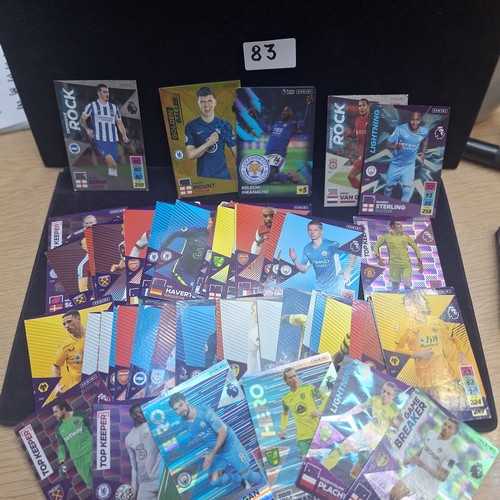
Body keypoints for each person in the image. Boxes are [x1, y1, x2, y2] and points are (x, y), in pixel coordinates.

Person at [168, 392, 264, 490]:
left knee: (247, 475)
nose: (180, 410)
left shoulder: (205, 412)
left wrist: (212, 454)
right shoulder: (183, 424)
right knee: (215, 480)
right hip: (216, 451)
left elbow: (222, 433)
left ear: (186, 401)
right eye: (176, 409)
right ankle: (239, 478)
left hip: (229, 444)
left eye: (181, 405)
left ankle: (267, 482)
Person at [396, 289, 468, 413]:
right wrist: (416, 354)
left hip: (447, 378)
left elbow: (454, 338)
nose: (407, 308)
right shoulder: (405, 326)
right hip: (426, 383)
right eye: (406, 305)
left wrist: (461, 351)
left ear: (418, 303)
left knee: (461, 409)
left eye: (409, 304)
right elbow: (397, 349)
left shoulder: (436, 322)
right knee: (435, 416)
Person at [322, 382, 399, 478]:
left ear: (393, 396)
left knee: (356, 472)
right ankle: (321, 470)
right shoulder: (375, 399)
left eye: (388, 394)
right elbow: (361, 407)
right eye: (384, 391)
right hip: (364, 435)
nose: (384, 395)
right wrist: (346, 414)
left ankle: (351, 481)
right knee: (340, 450)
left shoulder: (394, 411)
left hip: (374, 445)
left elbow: (395, 431)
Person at [390, 418, 459, 500]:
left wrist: (423, 465)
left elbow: (442, 477)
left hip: (428, 487)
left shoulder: (451, 453)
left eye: (449, 427)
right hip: (415, 476)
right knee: (394, 494)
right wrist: (410, 459)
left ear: (454, 432)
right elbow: (425, 448)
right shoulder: (431, 433)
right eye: (445, 424)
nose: (445, 427)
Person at [250, 95, 313, 184]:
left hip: (278, 154)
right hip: (267, 154)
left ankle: (290, 177)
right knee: (259, 177)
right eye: (283, 111)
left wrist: (309, 105)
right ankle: (287, 176)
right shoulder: (277, 123)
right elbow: (265, 128)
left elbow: (305, 123)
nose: (284, 112)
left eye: (287, 111)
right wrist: (255, 117)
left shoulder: (293, 124)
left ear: (292, 114)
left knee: (267, 176)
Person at [289, 220, 357, 296]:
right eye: (310, 230)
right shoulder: (307, 249)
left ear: (321, 231)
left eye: (315, 230)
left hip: (336, 287)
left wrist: (349, 269)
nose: (312, 232)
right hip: (319, 289)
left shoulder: (331, 245)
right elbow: (303, 270)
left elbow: (352, 251)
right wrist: (294, 260)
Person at [185, 86, 236, 180]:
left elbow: (236, 153)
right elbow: (190, 155)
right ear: (198, 104)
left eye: (209, 101)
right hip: (204, 180)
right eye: (202, 102)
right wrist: (208, 144)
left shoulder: (224, 125)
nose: (206, 105)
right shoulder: (191, 126)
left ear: (215, 102)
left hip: (224, 179)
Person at [80, 83, 129, 177]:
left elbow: (119, 123)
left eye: (108, 92)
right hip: (100, 139)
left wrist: (124, 135)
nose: (107, 94)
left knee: (113, 165)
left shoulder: (114, 107)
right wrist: (87, 129)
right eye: (104, 92)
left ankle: (112, 181)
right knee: (112, 164)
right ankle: (114, 180)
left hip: (113, 140)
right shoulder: (92, 105)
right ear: (99, 93)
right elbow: (82, 119)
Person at [280, 367, 328, 459]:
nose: (294, 379)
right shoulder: (285, 398)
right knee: (306, 461)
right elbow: (285, 413)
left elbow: (325, 398)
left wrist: (319, 411)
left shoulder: (309, 388)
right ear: (286, 381)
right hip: (303, 438)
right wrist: (283, 429)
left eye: (295, 376)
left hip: (318, 432)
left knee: (323, 461)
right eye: (290, 378)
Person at [384, 110, 429, 202]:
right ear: (409, 119)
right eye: (412, 119)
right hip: (396, 165)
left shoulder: (424, 131)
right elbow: (387, 144)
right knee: (388, 188)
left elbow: (425, 139)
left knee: (407, 191)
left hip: (409, 165)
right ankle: (385, 203)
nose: (414, 122)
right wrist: (395, 146)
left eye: (417, 120)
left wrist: (423, 153)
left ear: (420, 120)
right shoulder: (400, 129)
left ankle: (403, 207)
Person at [160, 214, 214, 288]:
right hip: (182, 272)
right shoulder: (195, 231)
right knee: (193, 290)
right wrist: (161, 251)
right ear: (209, 220)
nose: (213, 225)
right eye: (213, 221)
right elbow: (175, 234)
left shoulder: (217, 240)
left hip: (197, 276)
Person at [373, 220, 423, 291]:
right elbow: (376, 246)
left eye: (400, 224)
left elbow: (416, 248)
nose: (401, 226)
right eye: (398, 224)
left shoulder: (406, 237)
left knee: (407, 285)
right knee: (395, 289)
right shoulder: (386, 237)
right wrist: (378, 258)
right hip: (394, 266)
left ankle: (408, 297)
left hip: (405, 265)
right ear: (393, 226)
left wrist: (420, 262)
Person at [53, 401, 93, 489]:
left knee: (102, 477)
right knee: (91, 485)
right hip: (77, 459)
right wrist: (61, 461)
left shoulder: (80, 414)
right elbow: (61, 446)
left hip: (91, 452)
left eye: (56, 411)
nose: (54, 414)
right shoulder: (58, 428)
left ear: (63, 409)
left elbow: (93, 428)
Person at [125, 404, 161, 500]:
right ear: (133, 416)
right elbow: (134, 466)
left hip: (160, 476)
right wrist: (133, 489)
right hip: (145, 483)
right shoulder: (128, 438)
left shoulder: (153, 426)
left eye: (145, 411)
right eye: (141, 412)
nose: (144, 414)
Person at [51, 310, 86, 395]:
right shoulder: (65, 346)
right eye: (64, 324)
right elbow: (56, 366)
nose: (67, 326)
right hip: (78, 390)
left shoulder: (95, 335)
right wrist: (56, 387)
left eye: (69, 322)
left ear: (78, 319)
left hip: (99, 382)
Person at [344, 98, 370, 189]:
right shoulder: (357, 120)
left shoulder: (372, 119)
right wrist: (349, 134)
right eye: (359, 106)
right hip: (363, 155)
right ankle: (361, 192)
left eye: (363, 105)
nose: (361, 107)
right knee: (351, 176)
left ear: (368, 107)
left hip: (371, 155)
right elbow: (356, 134)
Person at [246, 302, 261, 375]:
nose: (254, 313)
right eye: (253, 311)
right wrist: (250, 375)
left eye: (256, 310)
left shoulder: (276, 327)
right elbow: (252, 355)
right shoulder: (252, 333)